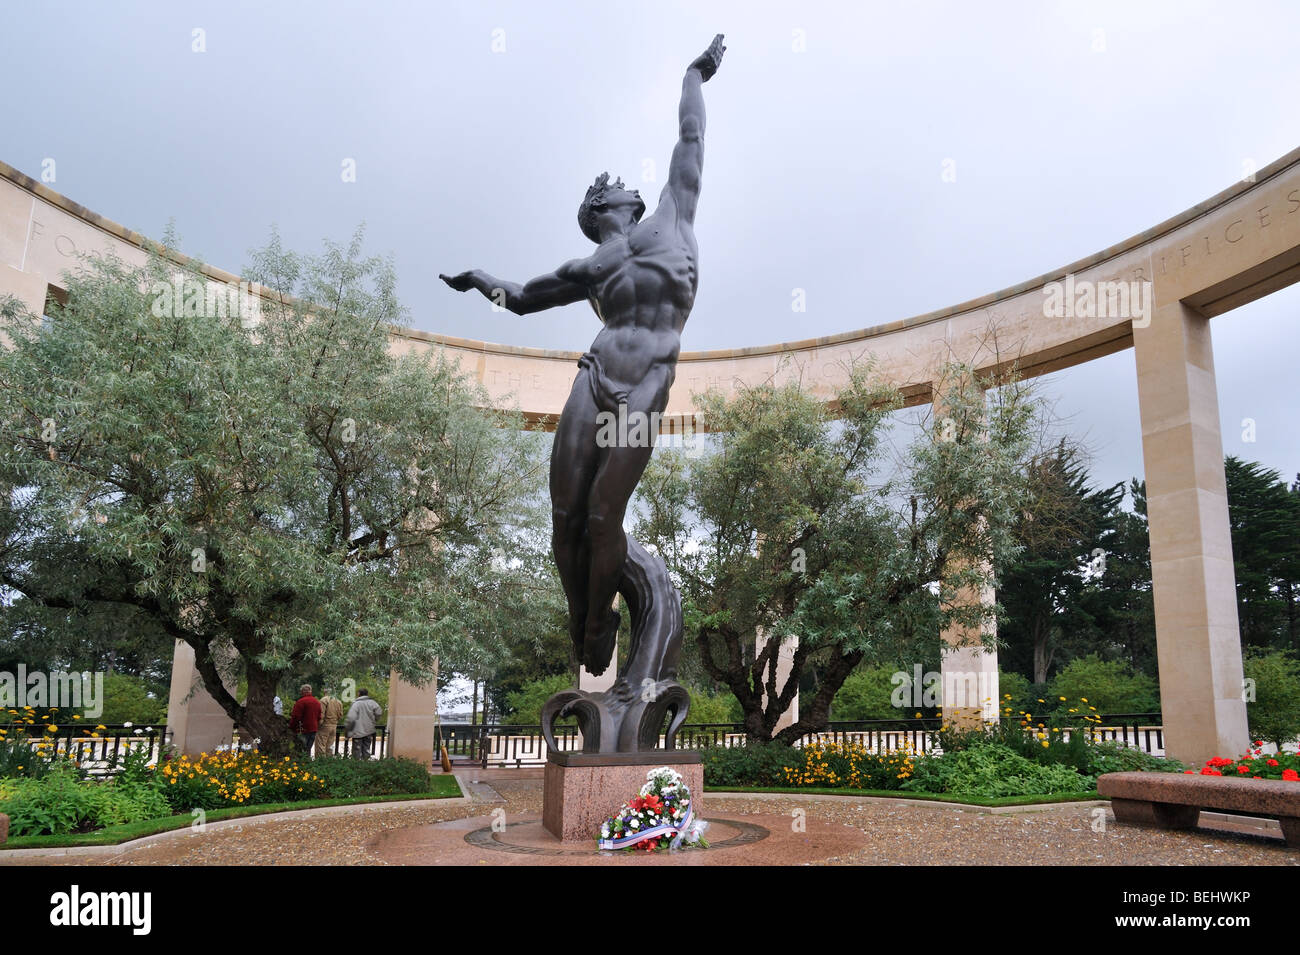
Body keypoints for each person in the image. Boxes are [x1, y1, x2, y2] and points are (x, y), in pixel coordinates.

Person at [440, 35, 726, 684]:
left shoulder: (672, 219)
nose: (631, 185)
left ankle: (601, 618)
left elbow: (691, 140)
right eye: (618, 186)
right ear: (603, 209)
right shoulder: (588, 268)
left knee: (602, 514)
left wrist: (692, 74)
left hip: (647, 380)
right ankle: (586, 622)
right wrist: (477, 276)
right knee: (563, 521)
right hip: (593, 379)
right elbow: (517, 299)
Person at [345, 688, 383, 760]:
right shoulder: (373, 703)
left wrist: (348, 731)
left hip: (357, 732)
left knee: (357, 752)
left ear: (359, 694)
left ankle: (356, 767)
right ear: (367, 694)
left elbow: (350, 718)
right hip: (369, 730)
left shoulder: (356, 704)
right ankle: (365, 767)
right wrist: (374, 720)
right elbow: (379, 712)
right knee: (366, 750)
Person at [288, 684, 322, 756]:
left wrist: (291, 727)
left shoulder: (300, 702)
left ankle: (301, 765)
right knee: (308, 749)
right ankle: (307, 764)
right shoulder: (317, 702)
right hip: (313, 729)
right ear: (310, 691)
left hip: (303, 729)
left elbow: (296, 717)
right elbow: (319, 717)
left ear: (303, 691)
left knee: (301, 749)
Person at [315, 687, 345, 758]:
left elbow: (321, 714)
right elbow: (341, 715)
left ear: (325, 692)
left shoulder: (323, 700)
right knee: (330, 746)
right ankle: (329, 761)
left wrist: (318, 725)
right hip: (334, 725)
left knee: (321, 745)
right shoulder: (338, 701)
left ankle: (320, 763)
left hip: (325, 725)